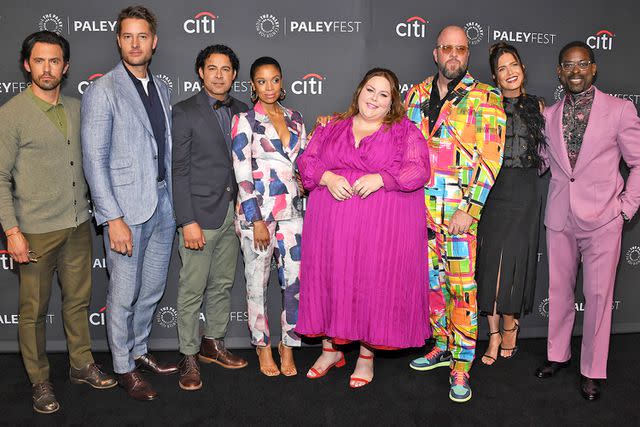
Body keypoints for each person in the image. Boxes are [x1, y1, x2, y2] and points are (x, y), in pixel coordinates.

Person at [0, 30, 116, 414]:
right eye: (39, 60)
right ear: (26, 64)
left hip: (78, 224)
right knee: (33, 311)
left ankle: (81, 365)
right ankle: (39, 380)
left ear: (65, 67)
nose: (46, 68)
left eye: (54, 61)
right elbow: (0, 177)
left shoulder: (78, 107)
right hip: (33, 229)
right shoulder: (11, 114)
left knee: (78, 301)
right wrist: (12, 231)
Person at [295, 68, 431, 389]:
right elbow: (307, 161)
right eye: (371, 90)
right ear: (359, 91)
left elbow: (418, 170)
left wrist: (382, 178)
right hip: (330, 226)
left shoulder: (404, 132)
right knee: (330, 280)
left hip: (378, 230)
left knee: (371, 284)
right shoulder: (332, 127)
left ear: (392, 102)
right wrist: (328, 177)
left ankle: (365, 357)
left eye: (383, 94)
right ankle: (330, 351)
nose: (374, 99)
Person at [405, 25, 506, 403]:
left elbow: (491, 157)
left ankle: (462, 365)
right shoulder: (415, 94)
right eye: (446, 47)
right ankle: (442, 345)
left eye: (460, 49)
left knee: (462, 290)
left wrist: (471, 207)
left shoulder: (485, 96)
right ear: (436, 53)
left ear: (468, 55)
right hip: (418, 213)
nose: (453, 54)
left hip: (459, 214)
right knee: (432, 287)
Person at [534, 41, 640, 401]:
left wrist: (626, 207)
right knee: (559, 292)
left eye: (582, 64)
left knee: (597, 297)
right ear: (559, 72)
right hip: (560, 216)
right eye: (568, 65)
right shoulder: (548, 114)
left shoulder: (620, 110)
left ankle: (593, 370)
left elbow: (638, 162)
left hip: (604, 220)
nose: (575, 71)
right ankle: (557, 355)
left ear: (593, 68)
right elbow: (544, 164)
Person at [81, 6, 177, 401]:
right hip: (125, 210)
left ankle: (138, 350)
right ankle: (123, 366)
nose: (135, 44)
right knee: (122, 294)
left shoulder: (162, 87)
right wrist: (112, 217)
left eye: (143, 37)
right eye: (128, 36)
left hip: (163, 204)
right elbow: (93, 159)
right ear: (118, 40)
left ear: (154, 42)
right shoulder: (104, 89)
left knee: (152, 289)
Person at [172, 44, 249, 391]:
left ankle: (212, 343)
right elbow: (179, 170)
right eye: (212, 68)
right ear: (201, 72)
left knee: (222, 285)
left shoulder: (245, 111)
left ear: (234, 75)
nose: (219, 75)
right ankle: (188, 355)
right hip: (199, 218)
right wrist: (186, 220)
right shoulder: (184, 111)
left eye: (226, 69)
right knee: (191, 290)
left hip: (232, 214)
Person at [231, 56, 306, 377]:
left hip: (293, 214)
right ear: (253, 86)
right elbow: (241, 173)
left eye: (275, 79)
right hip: (257, 216)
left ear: (282, 81)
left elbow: (304, 165)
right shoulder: (244, 121)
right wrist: (256, 219)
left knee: (295, 284)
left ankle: (288, 345)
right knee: (256, 286)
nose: (269, 87)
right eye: (262, 81)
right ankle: (262, 347)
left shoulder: (297, 119)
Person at [475, 43, 546, 365]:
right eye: (502, 68)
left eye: (513, 65)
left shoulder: (539, 106)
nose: (509, 72)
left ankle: (510, 328)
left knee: (516, 264)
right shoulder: (486, 106)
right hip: (493, 190)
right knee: (491, 265)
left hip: (526, 191)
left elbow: (550, 154)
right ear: (494, 76)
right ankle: (492, 335)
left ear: (522, 68)